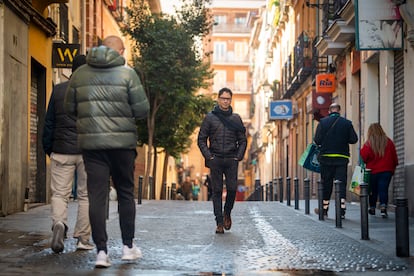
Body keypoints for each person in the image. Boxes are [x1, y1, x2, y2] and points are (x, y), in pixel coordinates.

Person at [64, 35, 150, 268]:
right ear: (120, 51)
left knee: (97, 195)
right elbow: (142, 109)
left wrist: (90, 121)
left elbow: (69, 108)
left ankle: (101, 251)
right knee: (125, 193)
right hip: (122, 146)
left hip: (93, 146)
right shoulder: (127, 74)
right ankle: (127, 247)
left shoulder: (80, 74)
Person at [42, 54, 94, 253]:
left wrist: (49, 148)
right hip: (87, 152)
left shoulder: (58, 90)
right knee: (85, 195)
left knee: (59, 194)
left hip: (61, 150)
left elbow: (48, 124)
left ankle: (59, 224)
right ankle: (83, 239)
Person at [197, 87, 247, 234]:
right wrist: (209, 157)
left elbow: (243, 140)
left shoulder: (236, 118)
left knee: (232, 189)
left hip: (231, 159)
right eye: (223, 98)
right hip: (216, 159)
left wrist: (238, 156)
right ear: (218, 99)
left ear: (231, 100)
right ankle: (219, 222)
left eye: (228, 99)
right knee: (217, 191)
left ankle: (227, 213)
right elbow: (201, 139)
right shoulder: (210, 118)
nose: (225, 101)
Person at [313, 102, 358, 219]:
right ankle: (342, 209)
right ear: (339, 111)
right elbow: (354, 139)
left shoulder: (323, 122)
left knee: (326, 184)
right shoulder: (347, 123)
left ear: (329, 111)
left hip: (326, 159)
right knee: (341, 184)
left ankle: (324, 209)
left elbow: (317, 140)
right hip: (342, 159)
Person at [360, 123, 398, 218]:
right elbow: (394, 158)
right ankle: (383, 208)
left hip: (372, 171)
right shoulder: (389, 142)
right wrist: (393, 167)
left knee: (373, 190)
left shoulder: (368, 144)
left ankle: (372, 208)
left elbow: (363, 157)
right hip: (386, 171)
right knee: (383, 189)